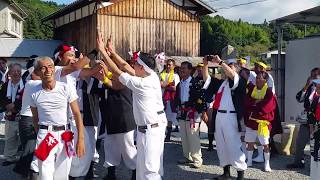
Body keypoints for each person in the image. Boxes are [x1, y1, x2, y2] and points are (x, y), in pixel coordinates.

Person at [97, 32, 167, 180]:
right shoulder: (151, 75)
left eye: (135, 63)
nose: (132, 65)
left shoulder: (142, 83)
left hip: (151, 128)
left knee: (150, 170)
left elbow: (117, 71)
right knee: (144, 168)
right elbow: (124, 66)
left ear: (142, 67)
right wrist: (113, 53)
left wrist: (103, 52)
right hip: (149, 128)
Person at [30, 56, 85, 180]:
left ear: (54, 69)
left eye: (50, 67)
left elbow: (76, 113)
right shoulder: (33, 92)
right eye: (42, 68)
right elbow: (35, 118)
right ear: (37, 72)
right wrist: (42, 133)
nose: (47, 70)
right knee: (45, 173)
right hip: (45, 135)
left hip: (66, 135)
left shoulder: (66, 88)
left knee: (63, 174)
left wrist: (80, 139)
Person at [202, 46, 247, 180]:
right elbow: (207, 80)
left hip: (231, 116)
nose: (227, 70)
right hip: (219, 116)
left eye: (230, 67)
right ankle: (226, 172)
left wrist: (221, 63)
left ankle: (240, 174)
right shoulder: (222, 83)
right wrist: (205, 65)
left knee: (233, 144)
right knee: (221, 145)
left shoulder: (239, 82)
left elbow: (233, 75)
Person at [174, 61, 207, 169]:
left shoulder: (196, 83)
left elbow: (202, 99)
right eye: (181, 68)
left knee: (193, 136)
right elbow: (177, 98)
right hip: (182, 111)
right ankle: (187, 156)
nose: (182, 70)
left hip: (193, 112)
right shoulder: (180, 84)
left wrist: (202, 111)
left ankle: (197, 159)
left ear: (190, 70)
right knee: (183, 135)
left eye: (184, 68)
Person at [287, 67, 320, 169]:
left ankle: (316, 166)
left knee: (316, 145)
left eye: (315, 76)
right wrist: (306, 85)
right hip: (307, 120)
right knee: (300, 142)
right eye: (311, 75)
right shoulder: (309, 88)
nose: (312, 78)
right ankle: (298, 162)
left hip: (317, 121)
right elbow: (299, 98)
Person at [244, 71, 276, 172]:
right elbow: (246, 102)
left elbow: (267, 106)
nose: (257, 80)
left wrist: (254, 104)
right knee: (249, 142)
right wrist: (256, 102)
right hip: (251, 121)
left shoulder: (269, 92)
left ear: (265, 80)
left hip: (263, 122)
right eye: (256, 78)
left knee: (265, 144)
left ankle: (267, 164)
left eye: (259, 78)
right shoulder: (252, 89)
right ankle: (249, 161)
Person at [0, 63, 24, 166]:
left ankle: (25, 159)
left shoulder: (26, 84)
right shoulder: (5, 85)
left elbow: (25, 98)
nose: (16, 73)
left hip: (22, 115)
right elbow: (1, 98)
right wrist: (6, 106)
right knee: (10, 137)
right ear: (9, 73)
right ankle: (10, 157)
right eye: (14, 71)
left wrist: (14, 106)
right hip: (9, 115)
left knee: (24, 139)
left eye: (18, 71)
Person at [160, 59, 180, 141]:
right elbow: (159, 84)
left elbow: (176, 88)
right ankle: (161, 134)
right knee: (161, 117)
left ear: (173, 66)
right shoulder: (162, 74)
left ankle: (168, 135)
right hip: (161, 98)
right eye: (167, 64)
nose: (168, 66)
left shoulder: (175, 76)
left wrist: (165, 85)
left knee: (169, 118)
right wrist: (167, 84)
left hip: (170, 99)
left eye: (170, 65)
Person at [307, 78, 320, 180]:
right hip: (315, 133)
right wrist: (311, 128)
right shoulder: (316, 99)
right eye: (317, 86)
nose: (317, 88)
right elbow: (311, 114)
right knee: (314, 158)